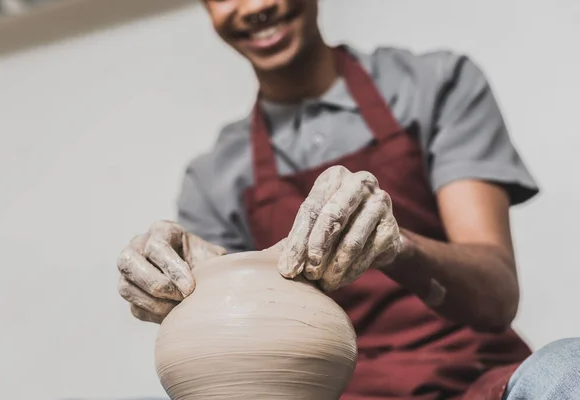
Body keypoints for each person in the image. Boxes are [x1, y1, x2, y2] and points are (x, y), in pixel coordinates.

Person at [116, 1, 580, 399]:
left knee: (568, 367)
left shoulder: (437, 86)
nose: (256, 6)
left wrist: (399, 247)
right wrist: (189, 288)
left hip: (479, 379)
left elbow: (497, 296)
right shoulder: (214, 177)